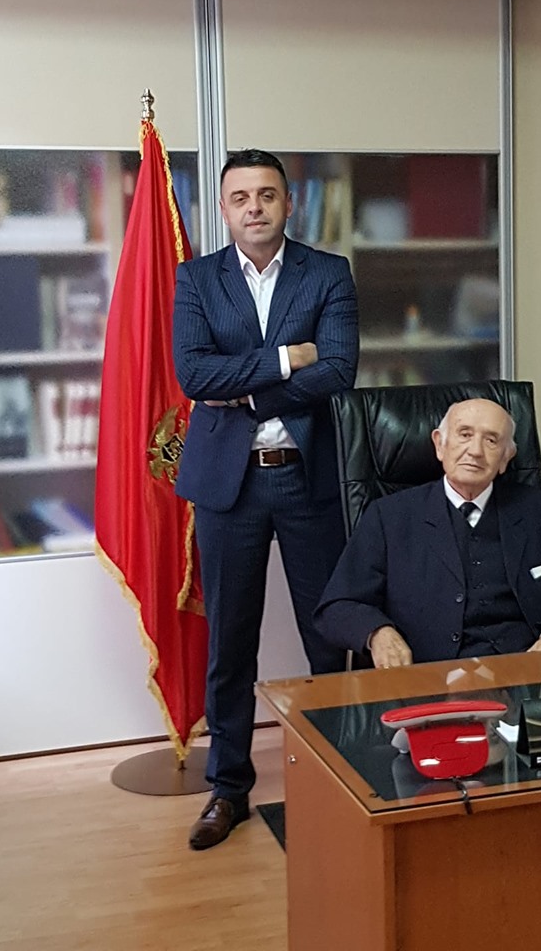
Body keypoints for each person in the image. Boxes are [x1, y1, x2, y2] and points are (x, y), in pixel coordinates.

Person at [172, 149, 359, 849]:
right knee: (230, 643)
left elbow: (338, 369)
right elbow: (194, 375)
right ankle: (228, 790)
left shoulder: (328, 273)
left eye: (267, 195)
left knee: (329, 637)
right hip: (230, 485)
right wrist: (285, 359)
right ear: (224, 209)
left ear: (289, 203)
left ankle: (342, 775)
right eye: (241, 197)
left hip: (308, 479)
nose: (254, 207)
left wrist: (246, 391)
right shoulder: (197, 279)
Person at [314, 398, 541, 669]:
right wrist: (378, 633)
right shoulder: (389, 516)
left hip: (529, 675)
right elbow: (338, 604)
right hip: (428, 677)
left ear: (506, 458)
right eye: (464, 435)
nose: (475, 451)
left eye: (491, 440)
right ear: (439, 444)